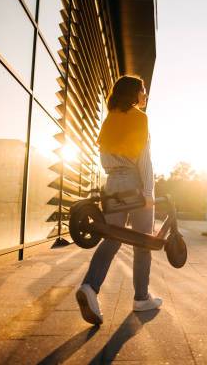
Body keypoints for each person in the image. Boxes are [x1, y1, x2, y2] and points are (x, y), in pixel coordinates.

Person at [76, 75, 162, 325]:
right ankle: (141, 297)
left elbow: (103, 160)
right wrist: (148, 194)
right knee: (143, 242)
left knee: (111, 238)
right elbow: (145, 161)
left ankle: (90, 286)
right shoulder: (140, 118)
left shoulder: (109, 120)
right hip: (135, 183)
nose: (145, 95)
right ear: (133, 94)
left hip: (112, 183)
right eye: (143, 90)